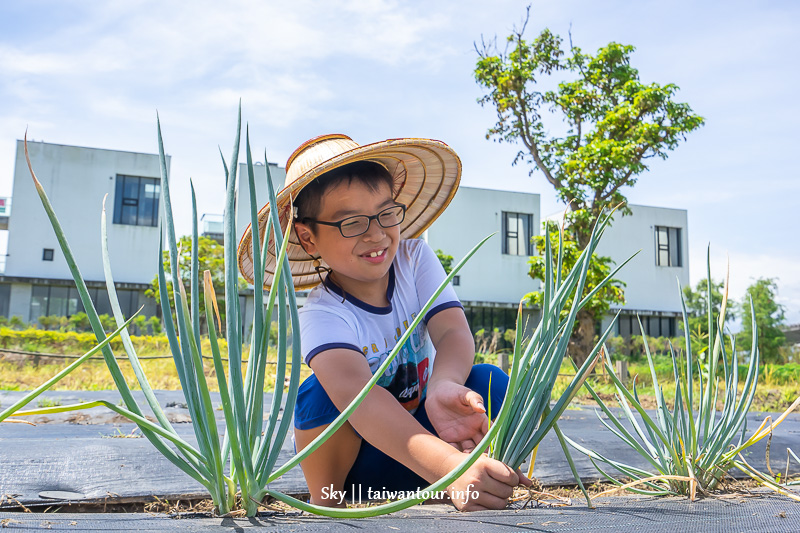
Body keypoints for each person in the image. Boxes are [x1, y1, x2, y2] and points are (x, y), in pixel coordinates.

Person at [237, 134, 528, 511]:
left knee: (490, 380)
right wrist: (452, 468)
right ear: (308, 238)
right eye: (352, 222)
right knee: (318, 394)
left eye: (385, 213)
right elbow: (362, 403)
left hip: (434, 436)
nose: (376, 234)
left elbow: (454, 332)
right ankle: (328, 501)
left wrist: (443, 385)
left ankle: (480, 478)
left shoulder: (414, 258)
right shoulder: (322, 314)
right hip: (365, 470)